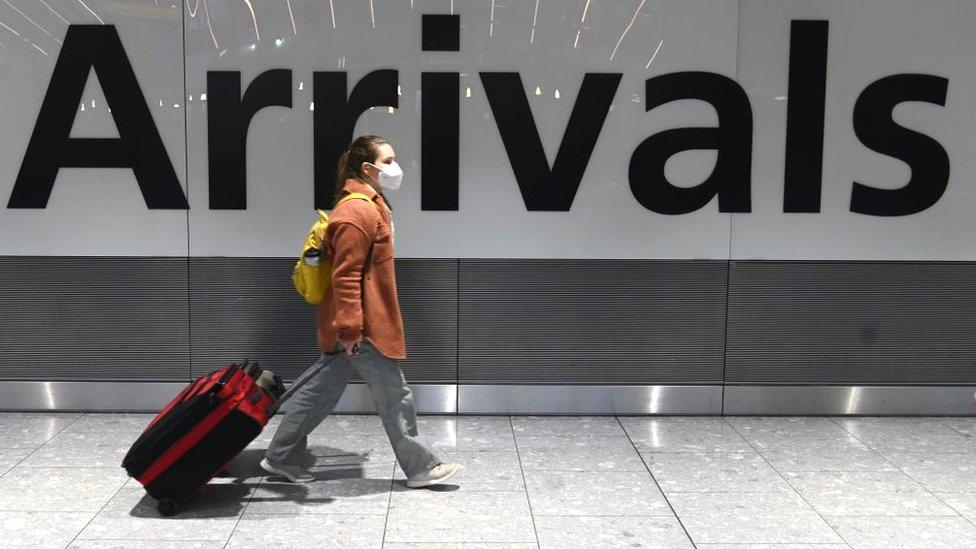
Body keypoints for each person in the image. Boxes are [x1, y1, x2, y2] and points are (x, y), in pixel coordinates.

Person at [261, 135, 460, 487]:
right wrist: (352, 327)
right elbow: (346, 276)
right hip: (362, 325)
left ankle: (281, 456)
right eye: (388, 161)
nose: (394, 167)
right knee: (395, 394)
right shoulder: (357, 211)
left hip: (354, 322)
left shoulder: (372, 203)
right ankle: (420, 467)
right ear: (367, 168)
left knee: (319, 393)